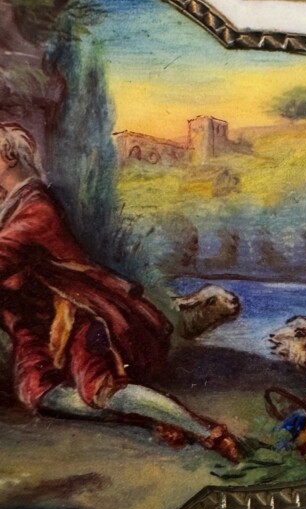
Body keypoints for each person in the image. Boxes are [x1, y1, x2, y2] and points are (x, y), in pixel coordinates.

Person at [0, 121, 241, 463]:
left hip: (79, 317)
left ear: (8, 156)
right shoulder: (13, 205)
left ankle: (207, 431)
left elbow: (5, 253)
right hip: (39, 325)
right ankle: (148, 419)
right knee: (42, 394)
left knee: (103, 390)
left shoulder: (36, 207)